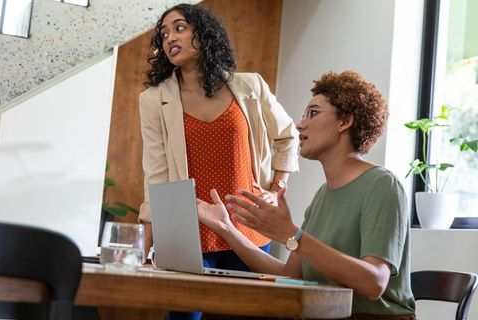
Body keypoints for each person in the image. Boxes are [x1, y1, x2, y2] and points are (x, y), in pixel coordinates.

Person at [198, 71, 416, 319]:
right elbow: (290, 275)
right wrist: (226, 229)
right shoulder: (323, 195)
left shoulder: (382, 186)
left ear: (344, 122)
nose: (300, 124)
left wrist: (291, 234)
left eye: (313, 113)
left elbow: (373, 283)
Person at [138, 3, 299, 319]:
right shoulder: (154, 100)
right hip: (187, 240)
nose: (170, 37)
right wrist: (143, 252)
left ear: (204, 32)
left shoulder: (250, 86)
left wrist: (277, 187)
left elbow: (287, 136)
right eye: (164, 33)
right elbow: (155, 177)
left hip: (248, 234)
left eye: (180, 27)